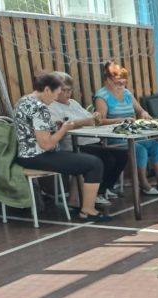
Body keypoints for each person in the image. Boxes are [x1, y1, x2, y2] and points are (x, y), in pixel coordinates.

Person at [13, 72, 111, 222]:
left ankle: (78, 202)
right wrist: (64, 129)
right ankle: (88, 210)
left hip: (25, 156)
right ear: (47, 90)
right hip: (39, 156)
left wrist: (55, 126)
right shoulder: (40, 108)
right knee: (94, 163)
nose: (55, 99)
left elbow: (32, 130)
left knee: (83, 159)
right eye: (57, 93)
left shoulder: (23, 101)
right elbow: (46, 144)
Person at [94, 61, 158, 196]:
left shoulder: (126, 93)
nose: (121, 85)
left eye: (123, 82)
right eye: (117, 82)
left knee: (156, 146)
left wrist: (143, 113)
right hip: (116, 138)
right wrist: (121, 120)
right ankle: (143, 184)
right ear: (107, 80)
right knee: (139, 150)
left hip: (134, 134)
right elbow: (99, 121)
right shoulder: (102, 96)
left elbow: (140, 110)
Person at [48, 72, 128, 206]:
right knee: (107, 159)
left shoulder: (73, 103)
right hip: (72, 145)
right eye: (64, 90)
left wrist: (95, 116)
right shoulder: (51, 107)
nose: (68, 93)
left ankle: (101, 190)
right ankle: (93, 195)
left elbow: (91, 119)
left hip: (91, 141)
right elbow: (59, 126)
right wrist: (86, 121)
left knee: (121, 155)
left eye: (70, 90)